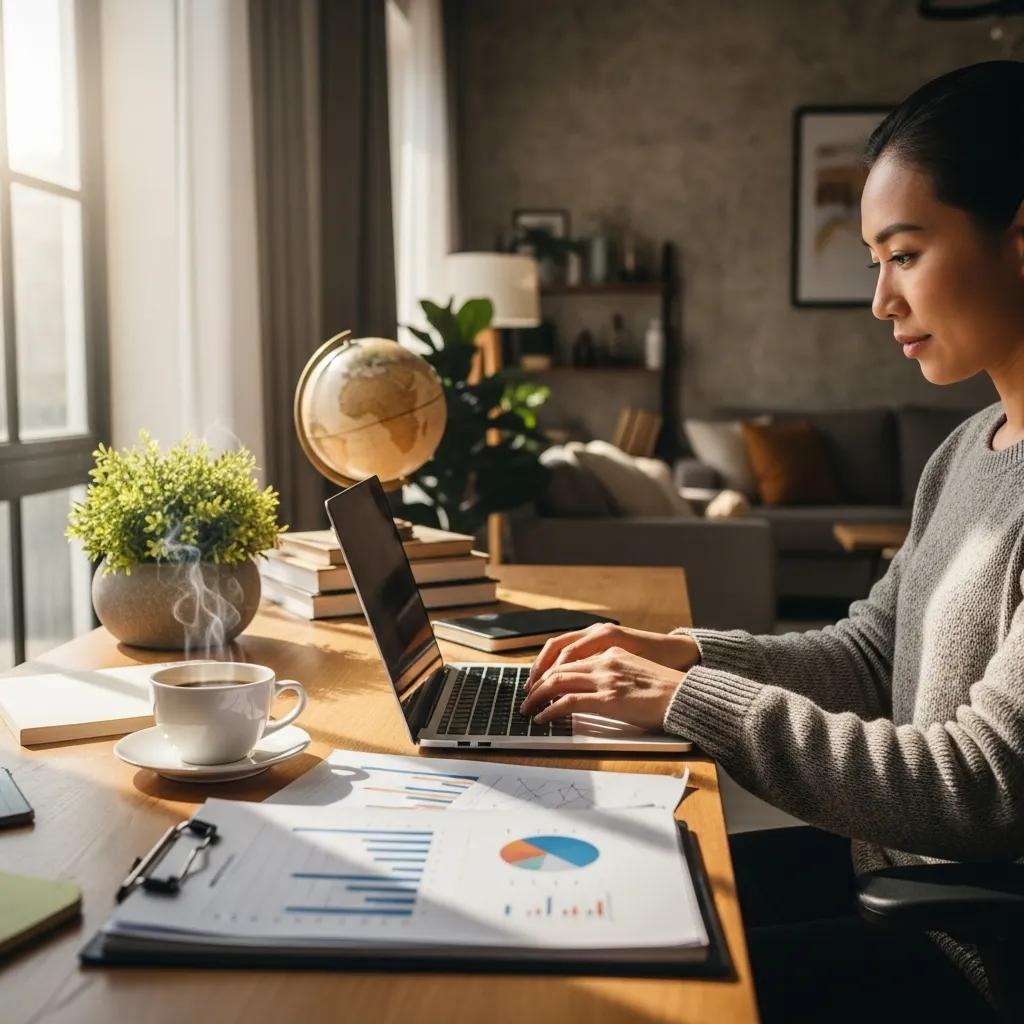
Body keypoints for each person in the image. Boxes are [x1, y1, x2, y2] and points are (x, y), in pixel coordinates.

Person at [520, 60, 1024, 1023]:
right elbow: (873, 652)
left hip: (972, 952)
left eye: (906, 254)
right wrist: (688, 652)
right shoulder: (966, 450)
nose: (881, 299)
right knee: (597, 905)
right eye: (874, 258)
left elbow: (983, 785)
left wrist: (688, 703)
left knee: (615, 993)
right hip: (887, 881)